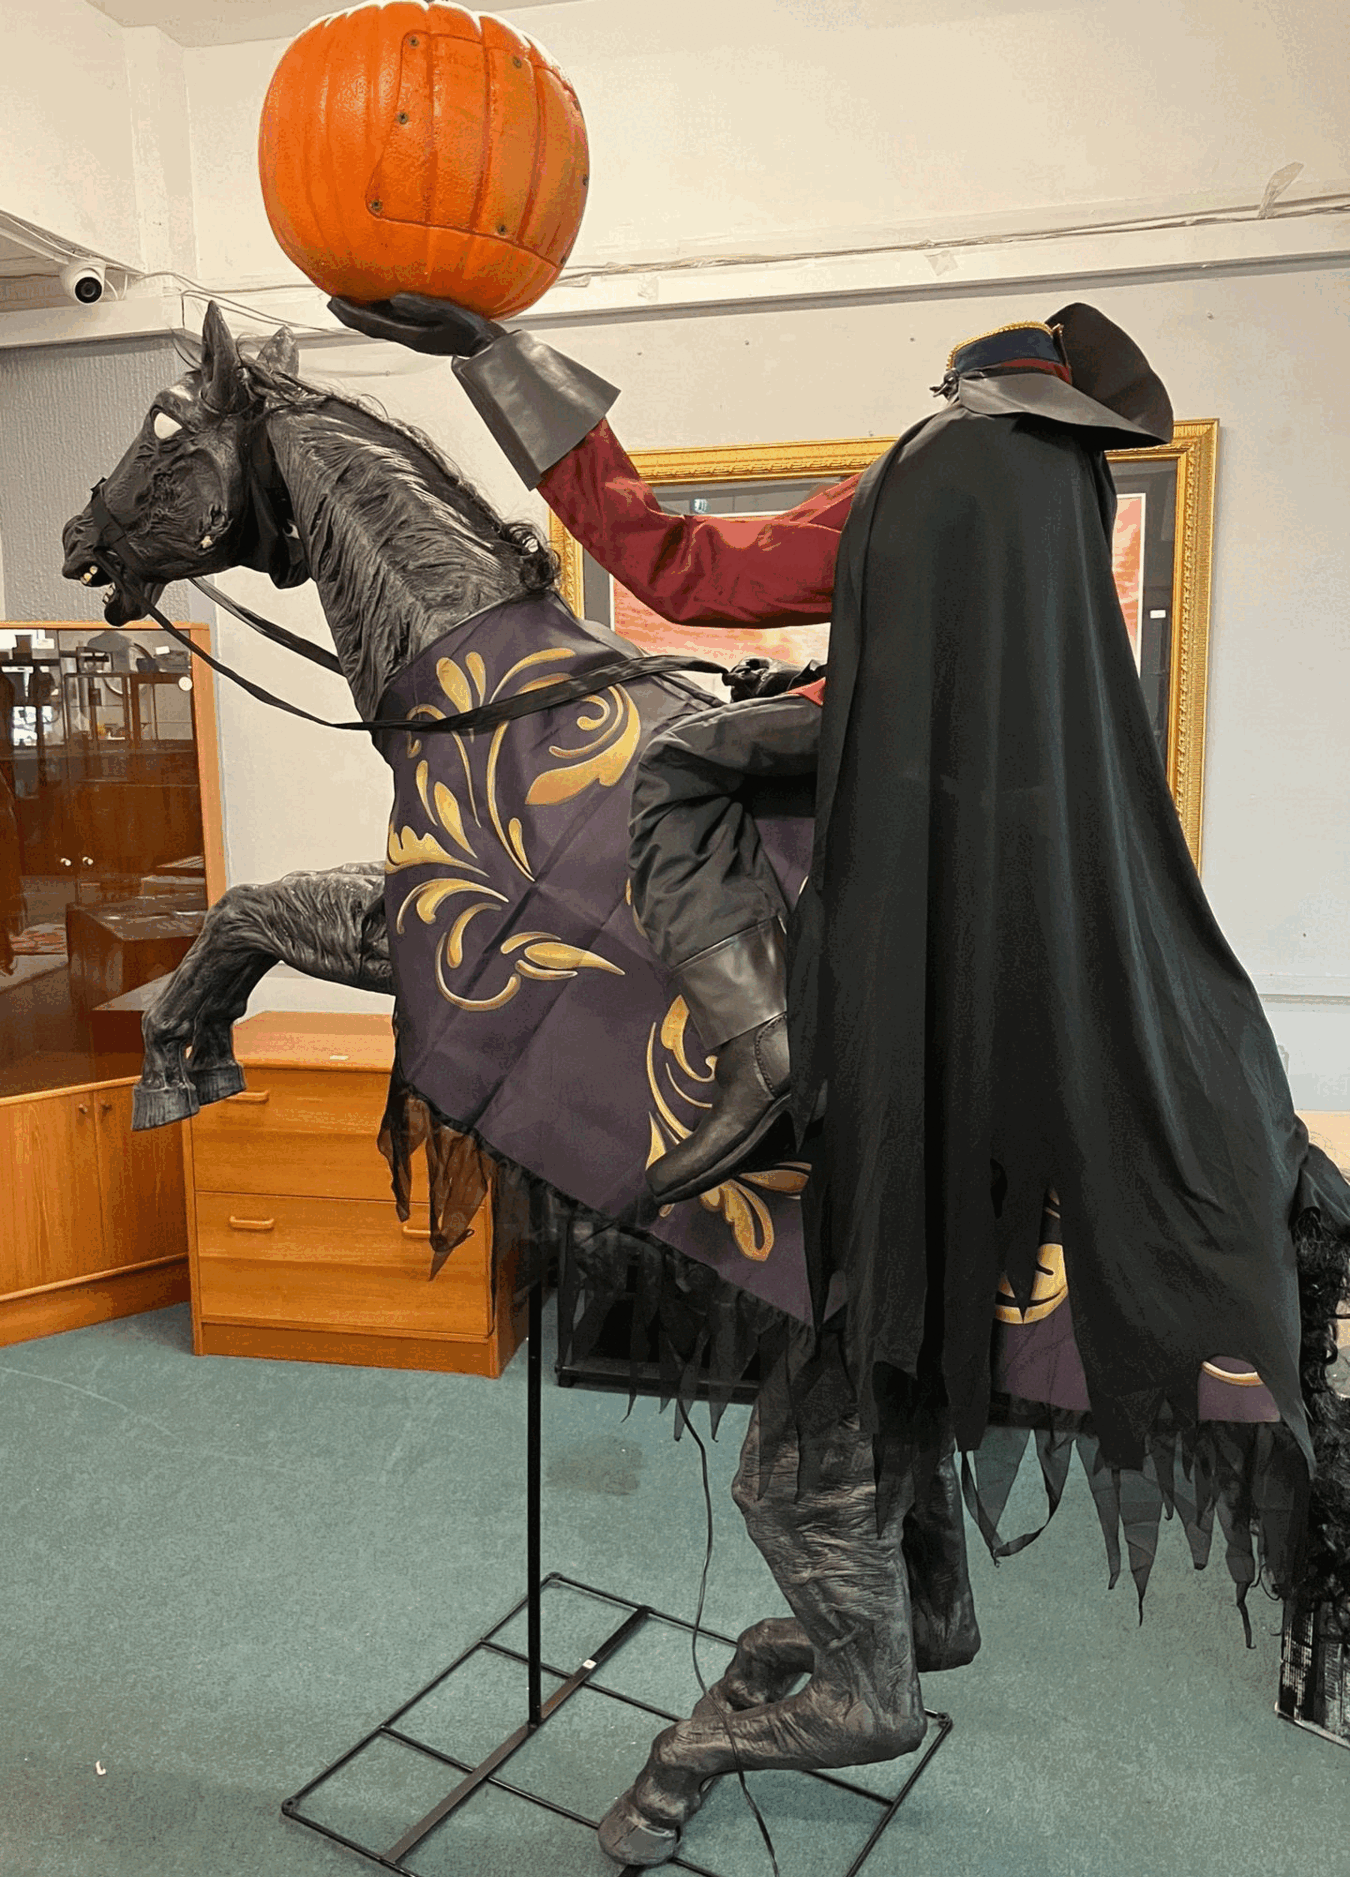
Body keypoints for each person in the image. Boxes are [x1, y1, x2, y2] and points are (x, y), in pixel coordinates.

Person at [332, 290, 1348, 1505]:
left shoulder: (931, 458)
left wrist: (500, 357)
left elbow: (685, 568)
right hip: (1023, 789)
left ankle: (760, 1044)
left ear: (968, 385)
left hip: (910, 767)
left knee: (679, 763)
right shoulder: (1070, 478)